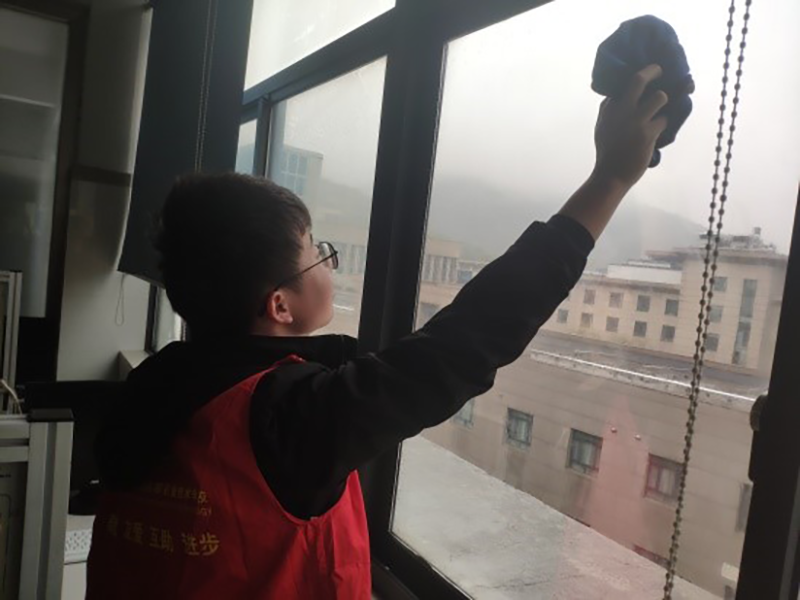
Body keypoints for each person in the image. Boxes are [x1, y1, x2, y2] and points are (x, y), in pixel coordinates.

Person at [87, 65, 670, 599]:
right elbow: (467, 341)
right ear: (279, 305)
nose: (328, 263)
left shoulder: (156, 386)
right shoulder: (287, 420)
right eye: (315, 251)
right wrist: (610, 180)